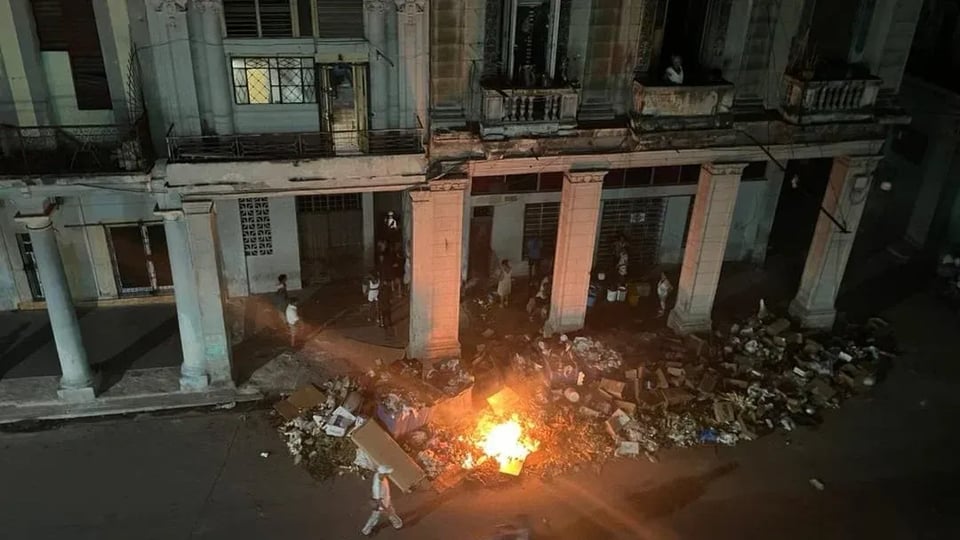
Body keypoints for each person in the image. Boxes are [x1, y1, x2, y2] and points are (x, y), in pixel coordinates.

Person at [361, 465, 403, 536]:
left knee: (389, 512)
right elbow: (378, 501)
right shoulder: (377, 487)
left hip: (386, 500)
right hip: (381, 505)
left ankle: (397, 523)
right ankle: (366, 530)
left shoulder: (378, 475)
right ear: (382, 474)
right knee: (375, 517)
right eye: (386, 473)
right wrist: (385, 509)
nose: (388, 474)